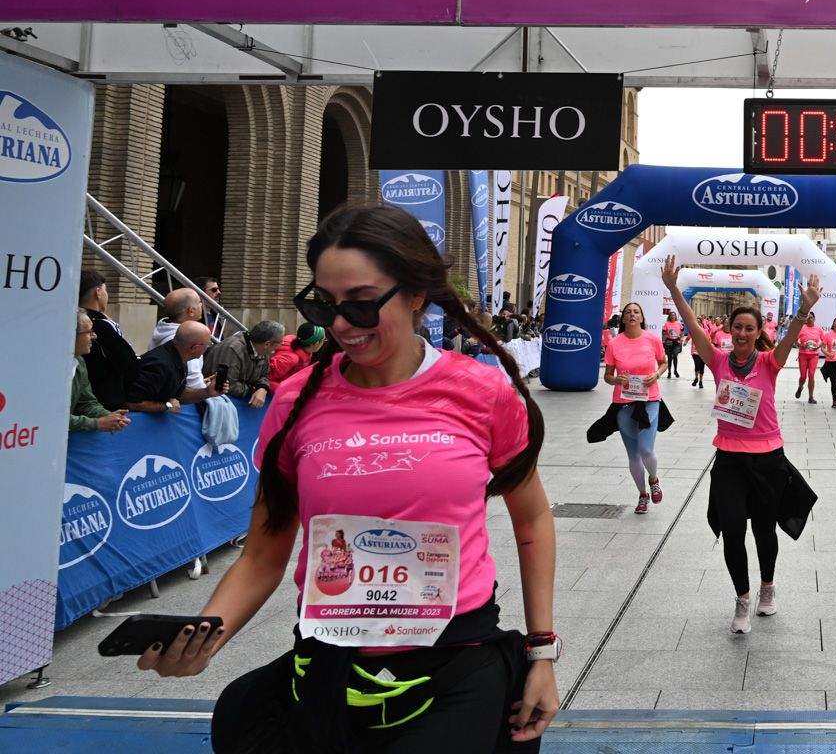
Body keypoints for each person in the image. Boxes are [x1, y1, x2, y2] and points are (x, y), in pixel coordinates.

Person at [140, 203, 558, 749]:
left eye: (361, 304)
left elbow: (532, 520)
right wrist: (206, 636)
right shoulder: (295, 401)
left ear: (415, 294)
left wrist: (542, 652)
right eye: (323, 304)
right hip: (330, 665)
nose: (339, 325)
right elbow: (262, 554)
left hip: (455, 663)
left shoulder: (481, 392)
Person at [661, 255, 819, 635]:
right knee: (732, 529)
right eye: (738, 327)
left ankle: (768, 586)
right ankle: (742, 598)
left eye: (750, 328)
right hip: (729, 459)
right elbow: (692, 325)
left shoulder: (769, 362)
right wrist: (673, 289)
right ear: (729, 330)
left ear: (758, 331)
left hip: (768, 460)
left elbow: (789, 339)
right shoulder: (717, 361)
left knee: (764, 530)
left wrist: (804, 309)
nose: (744, 333)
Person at [601, 303, 666, 515]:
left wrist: (656, 374)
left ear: (642, 318)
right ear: (623, 319)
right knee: (633, 455)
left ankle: (653, 479)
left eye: (636, 312)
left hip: (650, 400)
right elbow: (607, 376)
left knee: (646, 449)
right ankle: (642, 494)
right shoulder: (614, 343)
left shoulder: (652, 339)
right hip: (624, 403)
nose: (632, 315)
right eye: (628, 312)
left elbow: (663, 362)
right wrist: (616, 379)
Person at [122, 321, 217, 414]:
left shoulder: (179, 357)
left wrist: (207, 392)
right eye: (208, 344)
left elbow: (178, 396)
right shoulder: (159, 365)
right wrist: (166, 406)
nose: (208, 347)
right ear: (195, 348)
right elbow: (132, 403)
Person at [79, 268, 139, 411]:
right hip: (103, 402)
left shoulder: (72, 319)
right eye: (106, 290)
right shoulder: (102, 326)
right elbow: (128, 364)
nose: (92, 336)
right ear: (98, 292)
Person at [70, 310, 129, 433]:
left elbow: (87, 403)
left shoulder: (79, 361)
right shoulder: (51, 369)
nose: (94, 336)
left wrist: (111, 417)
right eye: (89, 332)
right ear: (72, 334)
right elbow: (53, 416)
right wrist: (97, 423)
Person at [149, 287, 213, 397]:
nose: (202, 305)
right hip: (182, 401)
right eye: (199, 302)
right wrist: (206, 389)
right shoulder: (186, 339)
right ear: (191, 311)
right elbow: (192, 383)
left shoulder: (163, 328)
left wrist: (203, 382)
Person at [205, 320, 284, 409]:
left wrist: (262, 388)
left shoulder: (263, 350)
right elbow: (226, 385)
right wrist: (253, 389)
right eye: (280, 342)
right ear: (267, 344)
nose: (282, 344)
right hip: (215, 400)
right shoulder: (233, 349)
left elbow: (264, 374)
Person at [268, 323, 326, 391]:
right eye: (323, 340)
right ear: (316, 344)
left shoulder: (296, 341)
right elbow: (265, 377)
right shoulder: (290, 359)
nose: (324, 343)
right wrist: (287, 391)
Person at [792, 313, 826, 404]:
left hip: (814, 355)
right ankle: (800, 387)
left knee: (811, 375)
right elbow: (795, 340)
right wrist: (801, 345)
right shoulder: (801, 328)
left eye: (811, 317)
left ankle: (811, 397)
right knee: (803, 376)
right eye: (808, 317)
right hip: (803, 354)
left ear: (814, 318)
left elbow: (824, 340)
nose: (809, 319)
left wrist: (818, 346)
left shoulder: (818, 329)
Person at [661, 311, 684, 379]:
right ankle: (669, 372)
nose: (673, 316)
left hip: (676, 341)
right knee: (669, 358)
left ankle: (675, 370)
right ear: (669, 316)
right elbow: (663, 333)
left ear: (675, 316)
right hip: (669, 342)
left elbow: (682, 331)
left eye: (674, 315)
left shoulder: (678, 323)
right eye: (671, 315)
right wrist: (664, 340)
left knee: (675, 355)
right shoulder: (666, 324)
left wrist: (681, 338)